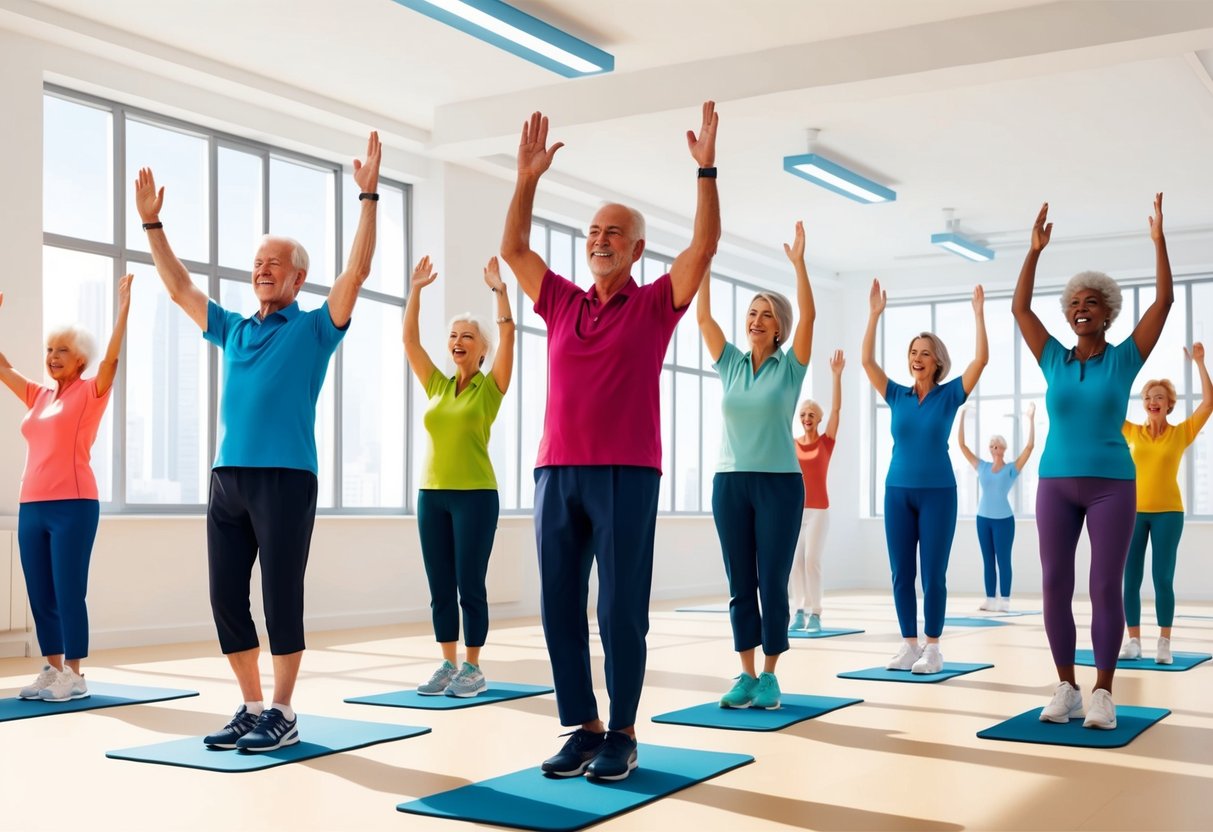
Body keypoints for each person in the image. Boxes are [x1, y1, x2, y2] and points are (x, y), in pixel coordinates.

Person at [134, 131, 382, 751]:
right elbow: (180, 289)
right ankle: (249, 705)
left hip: (286, 477)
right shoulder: (235, 330)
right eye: (256, 263)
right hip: (228, 478)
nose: (260, 270)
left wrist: (370, 196)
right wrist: (152, 225)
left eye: (273, 264)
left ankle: (284, 711)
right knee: (225, 597)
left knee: (281, 597)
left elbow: (357, 272)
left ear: (297, 279)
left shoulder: (317, 329)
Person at [500, 103, 719, 780]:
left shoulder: (655, 303)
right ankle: (585, 728)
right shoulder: (562, 300)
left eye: (613, 233)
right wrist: (526, 178)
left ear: (635, 249)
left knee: (618, 606)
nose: (600, 239)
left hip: (626, 472)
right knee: (559, 605)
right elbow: (513, 250)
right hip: (555, 470)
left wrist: (705, 170)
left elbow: (704, 248)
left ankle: (623, 730)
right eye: (593, 231)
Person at [1012, 195, 1172, 730]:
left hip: (1112, 485)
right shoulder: (1053, 356)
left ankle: (1103, 691)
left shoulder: (1126, 357)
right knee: (1055, 582)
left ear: (1107, 311)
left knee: (1105, 586)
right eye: (1075, 302)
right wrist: (1033, 252)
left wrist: (1158, 242)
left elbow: (1165, 303)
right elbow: (1019, 309)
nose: (1082, 307)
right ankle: (1066, 686)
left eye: (1092, 302)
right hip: (1054, 483)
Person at [697, 221, 814, 710]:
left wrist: (799, 265)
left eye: (766, 314)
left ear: (780, 326)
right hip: (730, 482)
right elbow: (702, 318)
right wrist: (703, 261)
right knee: (739, 581)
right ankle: (744, 674)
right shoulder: (730, 363)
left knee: (773, 579)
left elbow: (810, 315)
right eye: (752, 312)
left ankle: (770, 674)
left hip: (780, 485)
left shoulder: (790, 367)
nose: (756, 319)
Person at [0, 278, 132, 702]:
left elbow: (111, 359)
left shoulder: (90, 392)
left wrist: (124, 308)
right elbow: (2, 367)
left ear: (79, 360)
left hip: (73, 504)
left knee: (68, 588)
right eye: (49, 350)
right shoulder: (39, 396)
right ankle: (53, 668)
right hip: (32, 505)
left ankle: (75, 674)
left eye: (62, 351)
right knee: (39, 591)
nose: (53, 357)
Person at [861, 280, 988, 674]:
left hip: (937, 494)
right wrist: (874, 315)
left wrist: (979, 314)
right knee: (902, 572)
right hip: (896, 492)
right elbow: (867, 363)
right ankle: (909, 644)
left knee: (933, 573)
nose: (918, 358)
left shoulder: (950, 395)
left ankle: (933, 647)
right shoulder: (896, 394)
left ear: (937, 362)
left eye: (926, 353)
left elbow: (980, 361)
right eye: (914, 353)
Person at [403, 255, 514, 697]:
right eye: (453, 336)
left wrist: (499, 291)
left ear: (481, 349)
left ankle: (473, 667)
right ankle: (447, 664)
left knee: (471, 584)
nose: (457, 341)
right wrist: (415, 292)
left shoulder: (491, 388)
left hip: (475, 496)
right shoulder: (436, 384)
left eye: (467, 336)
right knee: (440, 586)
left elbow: (509, 335)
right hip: (431, 495)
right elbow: (409, 341)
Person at [1119, 343, 1211, 664]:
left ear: (1169, 404)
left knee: (1162, 577)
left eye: (1158, 397)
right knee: (1130, 577)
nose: (1151, 401)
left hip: (1169, 514)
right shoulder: (1131, 432)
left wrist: (1199, 362)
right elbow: (1108, 407)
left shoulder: (1181, 433)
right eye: (1147, 397)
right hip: (1132, 513)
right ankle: (1133, 641)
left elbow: (1208, 403)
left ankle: (1163, 643)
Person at [957, 403, 1036, 612]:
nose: (994, 448)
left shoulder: (1011, 469)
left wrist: (1030, 419)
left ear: (1004, 448)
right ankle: (991, 598)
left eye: (997, 445)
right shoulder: (981, 466)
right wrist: (962, 414)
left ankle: (1005, 600)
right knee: (988, 560)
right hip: (983, 519)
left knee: (1003, 560)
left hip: (1004, 520)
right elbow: (962, 446)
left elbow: (1029, 449)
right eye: (992, 445)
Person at [789, 349, 844, 633]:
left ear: (818, 419)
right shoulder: (792, 442)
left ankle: (817, 613)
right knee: (795, 563)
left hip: (819, 510)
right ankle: (799, 610)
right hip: (793, 510)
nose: (807, 417)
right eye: (803, 414)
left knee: (812, 561)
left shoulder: (826, 442)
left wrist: (836, 376)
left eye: (811, 414)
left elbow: (836, 411)